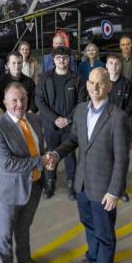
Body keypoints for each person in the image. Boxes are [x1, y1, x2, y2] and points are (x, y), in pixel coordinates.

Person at [48, 67, 131, 263]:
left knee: (104, 233)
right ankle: (92, 260)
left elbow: (122, 158)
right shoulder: (81, 110)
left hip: (104, 189)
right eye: (92, 83)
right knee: (88, 224)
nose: (95, 88)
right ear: (86, 85)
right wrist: (56, 154)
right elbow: (74, 139)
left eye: (101, 84)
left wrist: (114, 191)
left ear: (109, 87)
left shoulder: (118, 118)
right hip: (83, 183)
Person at [0, 82, 49, 263]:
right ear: (4, 103)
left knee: (24, 228)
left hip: (34, 186)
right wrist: (40, 161)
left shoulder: (34, 119)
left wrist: (44, 159)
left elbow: (40, 146)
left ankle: (23, 260)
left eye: (22, 99)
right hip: (9, 192)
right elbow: (8, 163)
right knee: (5, 234)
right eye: (14, 100)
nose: (19, 104)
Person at [35, 46, 87, 200]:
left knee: (70, 154)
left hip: (70, 126)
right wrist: (54, 119)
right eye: (58, 58)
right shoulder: (45, 78)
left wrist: (68, 119)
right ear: (53, 60)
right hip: (51, 125)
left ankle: (71, 183)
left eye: (64, 57)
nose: (61, 60)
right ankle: (50, 181)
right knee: (50, 153)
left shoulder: (77, 79)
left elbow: (81, 102)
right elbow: (39, 100)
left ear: (69, 59)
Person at [106, 53, 132, 202]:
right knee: (106, 161)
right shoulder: (102, 83)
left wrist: (118, 121)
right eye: (111, 63)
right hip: (104, 130)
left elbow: (131, 107)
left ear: (121, 66)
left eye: (117, 63)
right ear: (106, 65)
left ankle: (121, 190)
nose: (114, 66)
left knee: (121, 162)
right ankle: (107, 188)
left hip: (122, 129)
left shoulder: (128, 84)